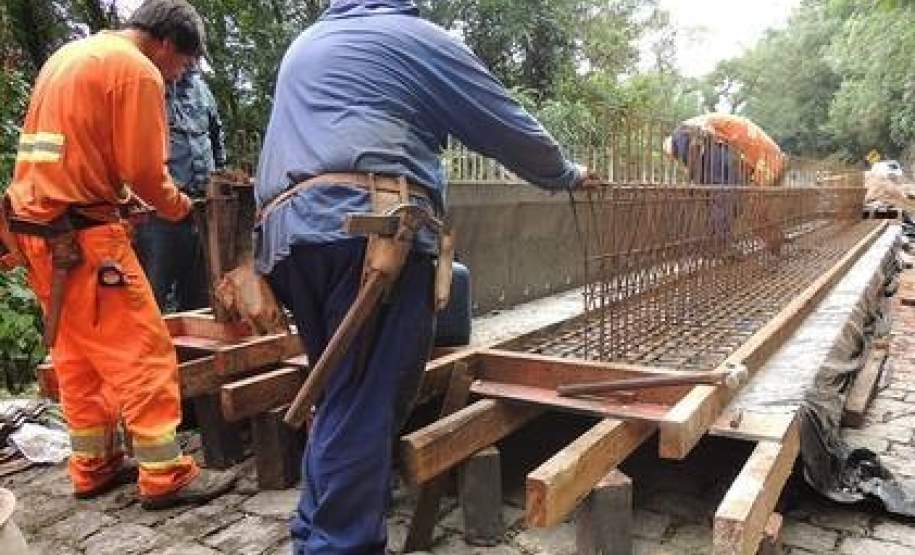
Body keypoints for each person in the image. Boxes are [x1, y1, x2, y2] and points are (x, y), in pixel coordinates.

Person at [254, 1, 592, 552]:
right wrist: (565, 174)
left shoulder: (308, 43)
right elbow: (500, 121)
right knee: (365, 404)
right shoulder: (413, 37)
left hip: (288, 240)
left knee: (340, 395)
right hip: (369, 235)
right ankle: (338, 545)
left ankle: (313, 532)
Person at [1, 0, 235, 509]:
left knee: (79, 357)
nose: (179, 75)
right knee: (145, 350)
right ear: (166, 43)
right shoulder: (136, 71)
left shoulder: (72, 55)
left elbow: (73, 152)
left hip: (38, 231)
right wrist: (177, 207)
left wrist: (119, 198)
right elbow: (147, 171)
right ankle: (165, 473)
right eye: (183, 64)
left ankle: (94, 463)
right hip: (83, 240)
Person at [135, 65, 226, 312]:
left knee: (202, 297)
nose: (190, 61)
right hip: (158, 214)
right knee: (152, 294)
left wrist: (218, 179)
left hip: (201, 210)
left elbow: (216, 138)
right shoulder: (146, 87)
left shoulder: (201, 90)